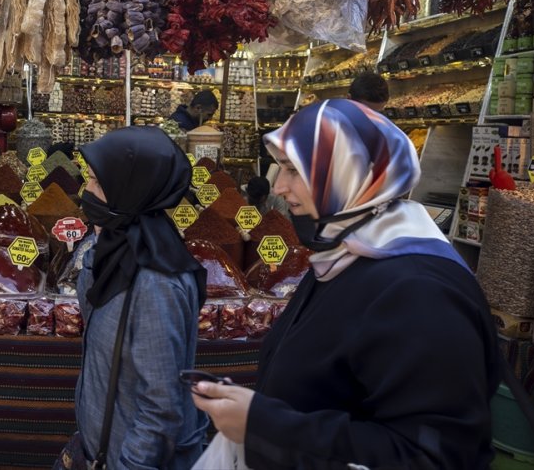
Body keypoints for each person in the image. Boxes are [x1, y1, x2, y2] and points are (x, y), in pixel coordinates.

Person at [192, 99, 499, 469]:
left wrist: (265, 424)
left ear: (348, 172)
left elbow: (434, 455)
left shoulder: (419, 291)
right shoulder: (342, 257)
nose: (281, 186)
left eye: (295, 169)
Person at [69, 126, 208, 469]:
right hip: (102, 447)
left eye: (98, 183)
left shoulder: (156, 282)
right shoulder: (115, 251)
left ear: (130, 190)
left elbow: (160, 410)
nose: (86, 192)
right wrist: (98, 244)